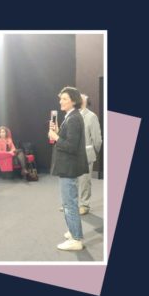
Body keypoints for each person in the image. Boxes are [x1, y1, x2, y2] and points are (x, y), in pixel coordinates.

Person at [48, 86, 89, 251]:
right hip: (68, 166)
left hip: (69, 167)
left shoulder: (73, 119)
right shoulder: (71, 116)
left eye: (64, 98)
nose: (61, 101)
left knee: (69, 204)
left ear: (73, 100)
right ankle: (73, 232)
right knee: (68, 203)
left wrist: (56, 137)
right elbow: (70, 140)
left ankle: (76, 239)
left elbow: (71, 146)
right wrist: (58, 132)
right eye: (60, 98)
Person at [78, 93, 103, 215]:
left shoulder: (91, 116)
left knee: (84, 181)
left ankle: (84, 205)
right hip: (72, 154)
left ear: (84, 102)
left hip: (86, 154)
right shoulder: (72, 115)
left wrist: (93, 152)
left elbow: (97, 139)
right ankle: (72, 203)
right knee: (73, 180)